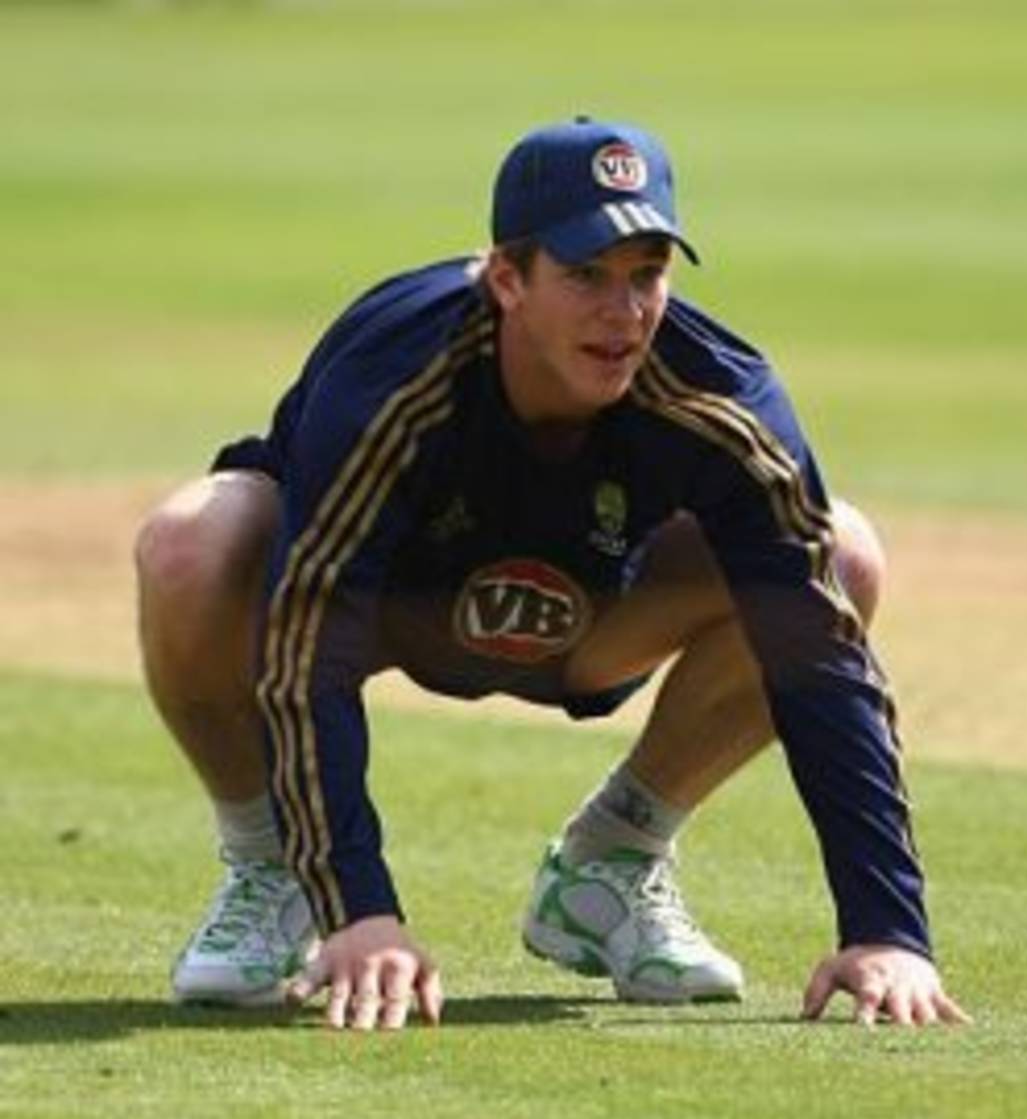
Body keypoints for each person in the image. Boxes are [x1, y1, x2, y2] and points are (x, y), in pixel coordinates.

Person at [135, 117, 970, 1032]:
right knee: (192, 541)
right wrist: (358, 906)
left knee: (839, 559)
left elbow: (822, 664)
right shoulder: (396, 375)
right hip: (383, 608)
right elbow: (308, 641)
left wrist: (889, 929)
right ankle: (275, 868)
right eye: (584, 276)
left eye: (646, 274)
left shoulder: (722, 398)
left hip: (591, 618)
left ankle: (611, 864)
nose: (624, 313)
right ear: (506, 279)